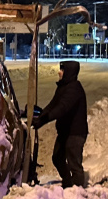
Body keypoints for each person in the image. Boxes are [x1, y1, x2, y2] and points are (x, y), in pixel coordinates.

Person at [34, 60, 88, 188]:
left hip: (75, 133)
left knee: (74, 163)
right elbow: (53, 105)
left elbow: (62, 108)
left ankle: (78, 189)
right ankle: (69, 183)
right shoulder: (63, 87)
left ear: (69, 72)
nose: (59, 72)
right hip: (65, 132)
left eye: (62, 70)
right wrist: (40, 117)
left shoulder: (74, 88)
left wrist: (45, 118)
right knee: (57, 157)